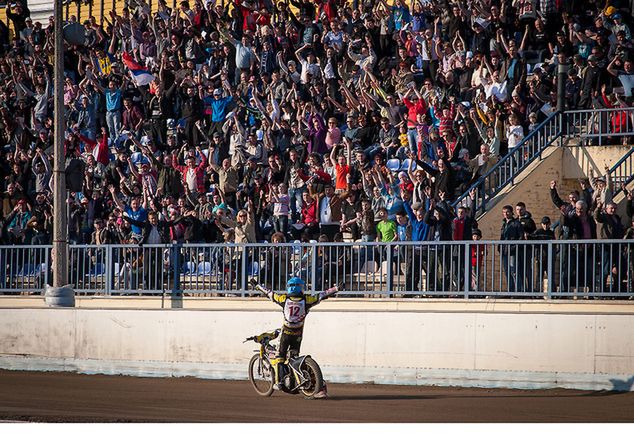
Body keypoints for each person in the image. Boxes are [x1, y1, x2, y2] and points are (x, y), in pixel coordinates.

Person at [250, 277, 337, 398]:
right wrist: (336, 288)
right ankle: (299, 379)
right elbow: (322, 295)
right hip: (298, 334)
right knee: (294, 356)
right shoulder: (307, 300)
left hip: (286, 333)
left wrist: (257, 286)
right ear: (301, 287)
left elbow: (269, 293)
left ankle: (280, 382)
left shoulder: (284, 299)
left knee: (280, 357)